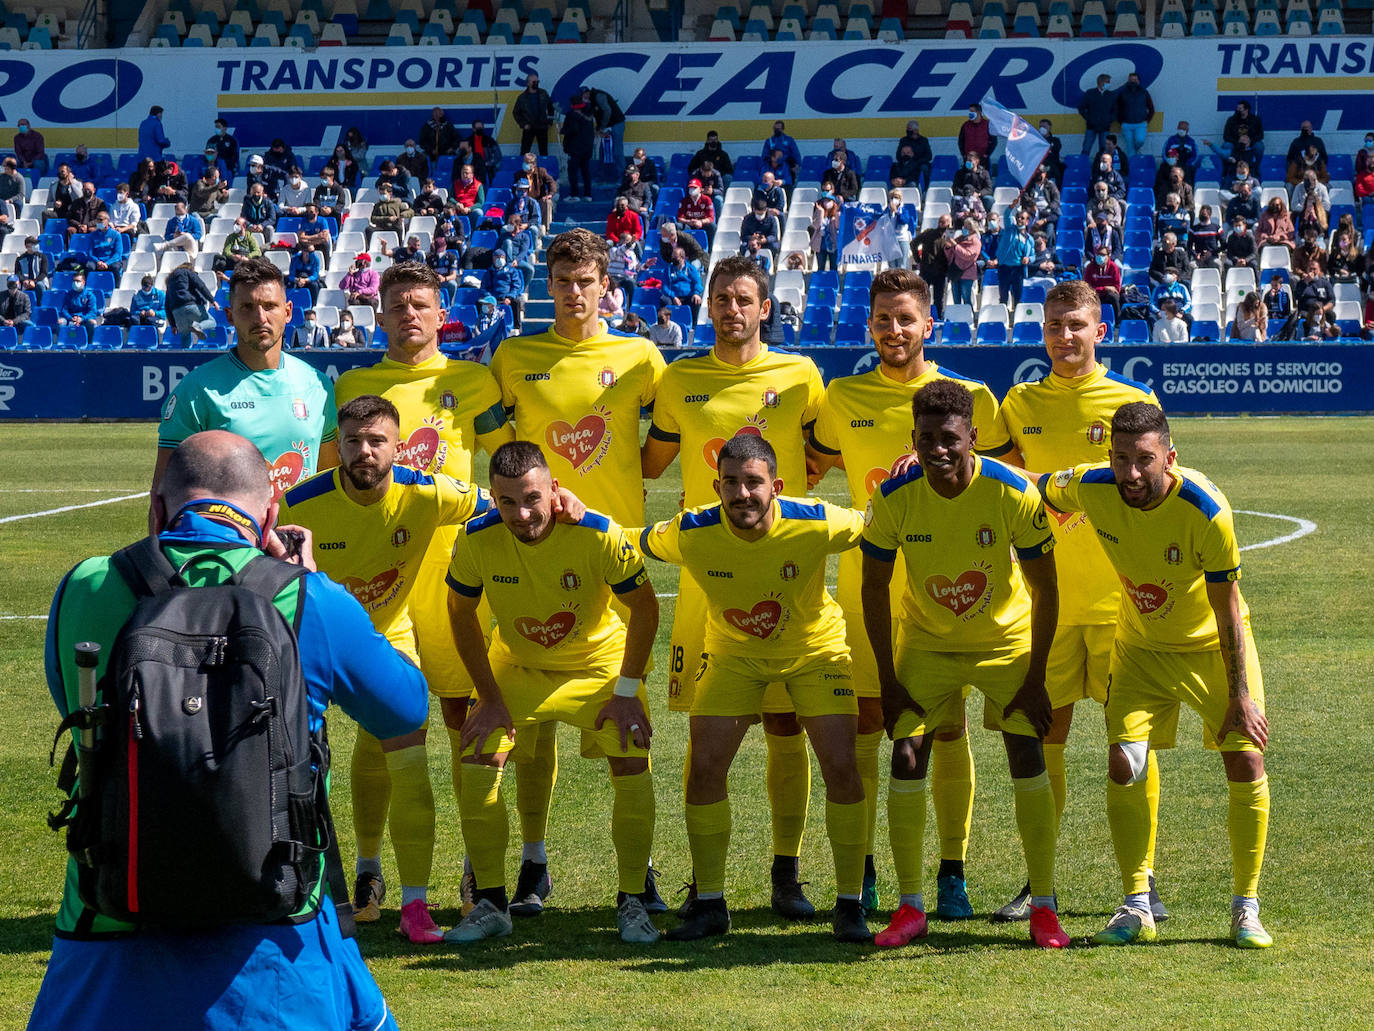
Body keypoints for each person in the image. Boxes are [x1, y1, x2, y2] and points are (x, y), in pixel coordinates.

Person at [30, 430, 427, 1031]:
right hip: (276, 926)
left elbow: (76, 707)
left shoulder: (83, 585)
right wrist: (316, 586)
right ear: (270, 514)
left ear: (156, 509)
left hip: (108, 916)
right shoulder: (307, 597)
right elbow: (405, 708)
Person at [808, 268, 1013, 920]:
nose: (894, 330)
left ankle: (951, 871)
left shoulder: (971, 394)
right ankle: (864, 870)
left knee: (948, 733)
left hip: (947, 596)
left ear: (930, 324)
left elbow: (1013, 478)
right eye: (883, 319)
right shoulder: (841, 395)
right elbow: (807, 466)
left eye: (906, 318)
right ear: (869, 324)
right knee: (869, 726)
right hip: (865, 587)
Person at [1039, 405, 1274, 949]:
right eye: (1121, 459)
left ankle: (1246, 908)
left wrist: (1240, 696)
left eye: (1145, 460)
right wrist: (961, 460)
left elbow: (1228, 608)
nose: (1131, 473)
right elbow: (1035, 486)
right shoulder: (1091, 486)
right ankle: (1136, 904)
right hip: (1141, 650)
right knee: (1125, 762)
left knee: (1245, 756)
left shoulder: (1206, 510)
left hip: (1210, 649)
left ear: (1170, 458)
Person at [643, 258, 830, 920]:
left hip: (785, 574)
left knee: (786, 722)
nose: (731, 308)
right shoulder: (681, 379)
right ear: (709, 305)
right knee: (706, 725)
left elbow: (827, 450)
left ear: (764, 308)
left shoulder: (800, 375)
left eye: (744, 298)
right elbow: (648, 461)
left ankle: (788, 871)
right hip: (708, 576)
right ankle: (707, 879)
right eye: (721, 298)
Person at [280, 391, 502, 945]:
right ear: (337, 447)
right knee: (295, 765)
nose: (364, 453)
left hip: (385, 637)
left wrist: (560, 499)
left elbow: (499, 504)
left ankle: (414, 905)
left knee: (408, 756)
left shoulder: (426, 492)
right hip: (309, 639)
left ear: (398, 447)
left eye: (377, 441)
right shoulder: (298, 503)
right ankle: (333, 883)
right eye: (353, 442)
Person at [860, 379, 1065, 949]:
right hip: (927, 642)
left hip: (1004, 642)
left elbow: (1047, 588)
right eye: (926, 439)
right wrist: (888, 680)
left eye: (950, 438)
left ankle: (1044, 907)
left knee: (1026, 749)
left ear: (973, 437)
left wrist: (1036, 676)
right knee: (906, 753)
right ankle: (910, 907)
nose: (939, 450)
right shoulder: (895, 496)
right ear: (913, 439)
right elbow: (872, 587)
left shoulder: (1013, 492)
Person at [640, 434, 870, 943]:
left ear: (777, 486)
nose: (742, 494)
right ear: (716, 486)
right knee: (703, 768)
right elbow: (629, 539)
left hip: (816, 653)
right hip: (734, 655)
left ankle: (850, 905)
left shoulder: (814, 520)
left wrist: (906, 477)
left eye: (753, 482)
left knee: (842, 767)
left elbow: (874, 521)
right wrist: (565, 508)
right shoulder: (691, 530)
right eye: (731, 483)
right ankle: (710, 904)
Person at [994, 281, 1167, 920]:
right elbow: (1003, 483)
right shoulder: (1020, 403)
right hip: (1047, 605)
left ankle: (1140, 884)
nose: (1064, 337)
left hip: (1122, 605)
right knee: (1047, 740)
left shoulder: (1132, 400)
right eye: (1054, 325)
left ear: (1101, 330)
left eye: (1077, 326)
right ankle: (1038, 881)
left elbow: (1159, 491)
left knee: (1130, 747)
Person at [443, 437, 658, 942]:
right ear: (492, 498)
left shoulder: (598, 534)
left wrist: (626, 691)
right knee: (476, 754)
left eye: (532, 498)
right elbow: (460, 613)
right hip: (518, 665)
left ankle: (632, 900)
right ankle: (492, 903)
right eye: (507, 501)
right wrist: (490, 697)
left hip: (597, 666)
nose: (522, 513)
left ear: (554, 490)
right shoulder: (476, 539)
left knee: (631, 753)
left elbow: (646, 609)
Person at [154, 258, 338, 500]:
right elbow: (164, 497)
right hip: (229, 538)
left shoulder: (318, 385)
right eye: (247, 307)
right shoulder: (197, 390)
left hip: (300, 537)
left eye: (270, 306)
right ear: (230, 315)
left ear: (288, 312)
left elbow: (329, 486)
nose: (260, 317)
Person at [913, 214, 952, 318]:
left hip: (941, 272)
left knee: (939, 298)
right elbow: (914, 243)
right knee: (923, 296)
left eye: (944, 222)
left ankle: (937, 317)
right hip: (927, 270)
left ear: (949, 223)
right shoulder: (929, 233)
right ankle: (921, 316)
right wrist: (918, 259)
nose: (941, 224)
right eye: (940, 221)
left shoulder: (950, 237)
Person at [561, 95, 597, 202]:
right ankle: (588, 194)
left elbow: (573, 129)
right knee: (586, 171)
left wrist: (562, 131)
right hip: (587, 148)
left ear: (572, 105)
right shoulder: (588, 115)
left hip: (575, 149)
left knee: (573, 172)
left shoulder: (571, 115)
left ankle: (574, 194)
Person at [514, 74, 557, 156]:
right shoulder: (522, 97)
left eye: (537, 81)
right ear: (528, 83)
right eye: (534, 82)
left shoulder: (543, 93)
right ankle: (524, 168)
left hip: (542, 126)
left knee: (544, 151)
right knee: (524, 151)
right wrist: (523, 124)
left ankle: (544, 168)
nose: (536, 83)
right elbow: (516, 112)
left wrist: (549, 121)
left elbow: (550, 107)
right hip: (529, 127)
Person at [1115, 71, 1154, 156]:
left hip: (1140, 124)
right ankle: (1131, 167)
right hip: (1126, 124)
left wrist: (1147, 121)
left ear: (1138, 81)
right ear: (1128, 81)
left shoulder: (1144, 92)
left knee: (1140, 140)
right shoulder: (1122, 93)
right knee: (1130, 147)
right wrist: (1121, 122)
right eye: (1131, 80)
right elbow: (1116, 108)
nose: (1133, 82)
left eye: (1135, 80)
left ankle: (1136, 152)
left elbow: (1151, 108)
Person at [944, 218, 981, 306]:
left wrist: (956, 246)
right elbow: (951, 254)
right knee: (956, 299)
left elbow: (968, 255)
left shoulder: (975, 242)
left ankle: (968, 316)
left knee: (966, 298)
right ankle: (958, 316)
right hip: (955, 271)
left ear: (972, 229)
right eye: (964, 226)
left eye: (967, 226)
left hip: (967, 273)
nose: (964, 228)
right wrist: (948, 247)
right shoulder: (960, 239)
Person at [1079, 74, 1117, 155]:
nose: (1109, 84)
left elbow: (1115, 110)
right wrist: (1089, 119)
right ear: (1101, 82)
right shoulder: (1090, 93)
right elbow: (1081, 108)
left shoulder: (1111, 95)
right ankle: (1083, 166)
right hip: (1091, 126)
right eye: (1108, 82)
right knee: (1086, 148)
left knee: (1104, 149)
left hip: (1105, 126)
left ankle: (1102, 167)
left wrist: (1109, 120)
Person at [1084, 245, 1123, 320]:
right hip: (1095, 294)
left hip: (1108, 295)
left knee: (1114, 297)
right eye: (1098, 254)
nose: (1100, 257)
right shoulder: (1090, 267)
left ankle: (1118, 321)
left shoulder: (1114, 268)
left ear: (1108, 256)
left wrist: (1105, 290)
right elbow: (1087, 287)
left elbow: (1117, 288)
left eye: (1103, 255)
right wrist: (1104, 288)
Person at [676, 178, 715, 244]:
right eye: (690, 188)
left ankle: (709, 250)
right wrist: (689, 221)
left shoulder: (706, 200)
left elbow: (711, 218)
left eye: (694, 188)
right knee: (678, 226)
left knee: (712, 227)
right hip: (689, 225)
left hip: (702, 224)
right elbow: (679, 218)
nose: (692, 190)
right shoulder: (684, 201)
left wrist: (701, 222)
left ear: (700, 189)